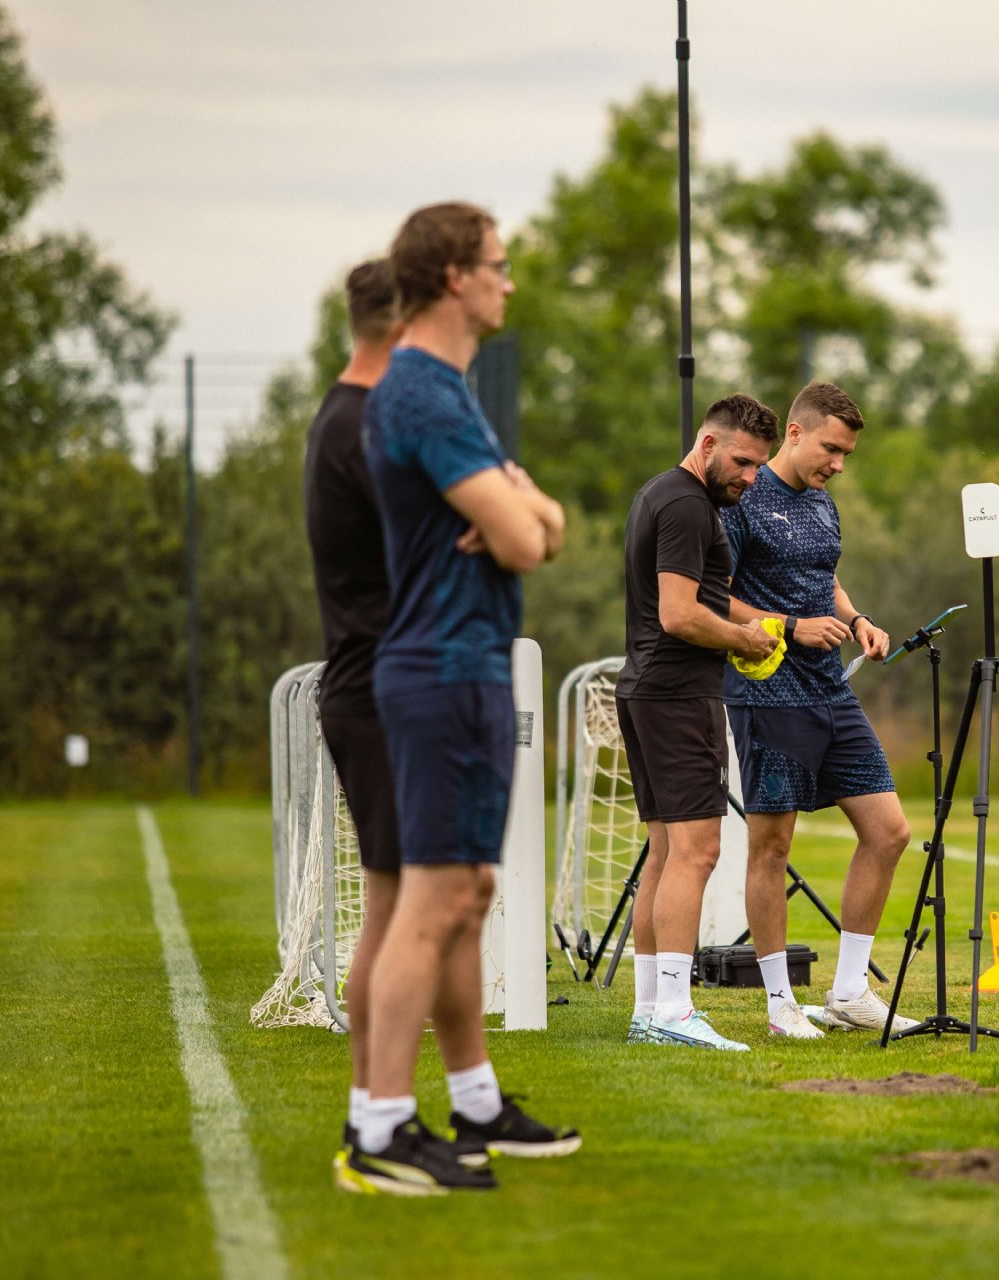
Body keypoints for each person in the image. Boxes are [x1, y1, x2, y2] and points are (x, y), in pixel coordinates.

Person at [343, 202, 575, 1195]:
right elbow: (527, 539)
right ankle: (381, 1127)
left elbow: (542, 523)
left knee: (466, 894)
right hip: (440, 669)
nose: (508, 280)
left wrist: (524, 503)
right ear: (452, 277)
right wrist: (520, 508)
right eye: (497, 263)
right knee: (431, 901)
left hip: (467, 664)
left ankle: (461, 1102)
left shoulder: (449, 389)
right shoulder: (426, 394)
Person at [718, 381, 915, 1039]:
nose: (838, 463)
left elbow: (823, 577)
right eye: (831, 448)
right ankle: (780, 1007)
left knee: (888, 831)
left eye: (847, 454)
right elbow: (711, 598)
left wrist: (856, 619)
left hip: (831, 690)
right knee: (771, 847)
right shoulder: (744, 499)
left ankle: (850, 993)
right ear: (796, 433)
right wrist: (789, 626)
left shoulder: (824, 504)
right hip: (767, 692)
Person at [616, 394, 781, 1051]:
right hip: (676, 693)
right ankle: (675, 1014)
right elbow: (679, 614)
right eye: (741, 461)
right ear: (707, 445)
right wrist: (743, 638)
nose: (749, 476)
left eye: (759, 467)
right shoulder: (686, 503)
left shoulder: (663, 494)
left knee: (664, 853)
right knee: (697, 851)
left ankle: (650, 1010)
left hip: (651, 690)